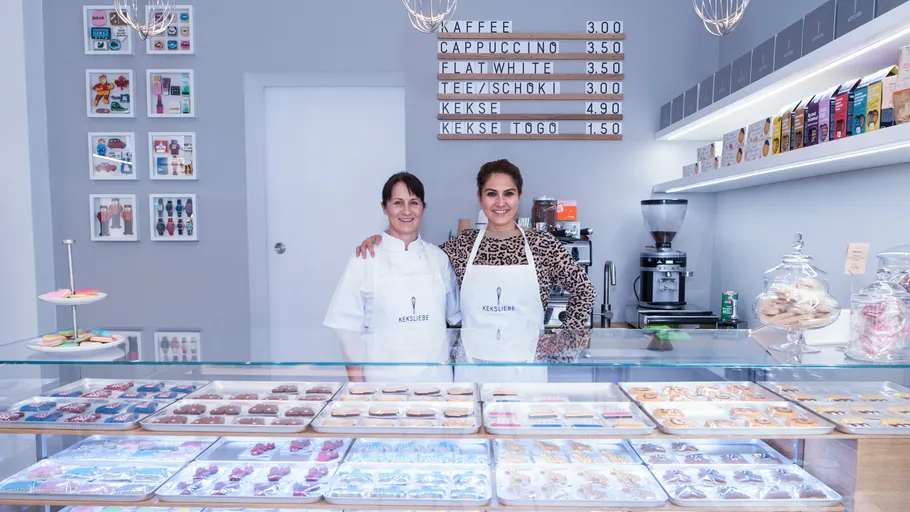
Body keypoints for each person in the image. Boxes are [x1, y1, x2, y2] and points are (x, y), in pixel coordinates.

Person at [326, 172, 460, 382]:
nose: (406, 211)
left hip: (436, 382)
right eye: (398, 203)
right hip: (382, 385)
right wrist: (358, 389)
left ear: (423, 208)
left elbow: (457, 317)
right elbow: (347, 328)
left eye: (413, 202)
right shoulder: (365, 258)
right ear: (384, 207)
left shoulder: (439, 258)